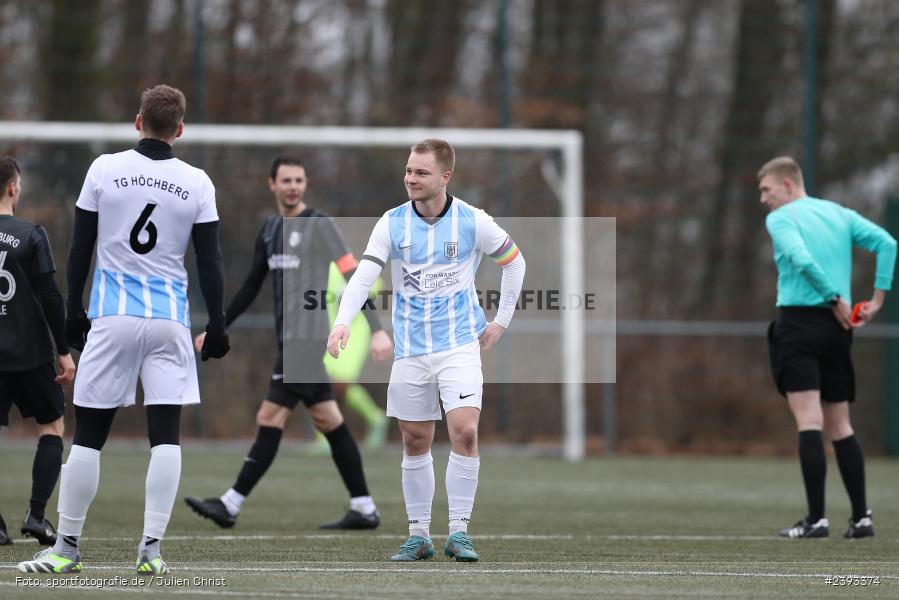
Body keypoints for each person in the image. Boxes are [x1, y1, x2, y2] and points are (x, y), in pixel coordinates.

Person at [17, 84, 229, 576]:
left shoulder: (104, 169)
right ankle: (150, 552)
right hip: (170, 322)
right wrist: (216, 323)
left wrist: (73, 312)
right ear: (179, 129)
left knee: (89, 437)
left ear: (138, 121)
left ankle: (66, 549)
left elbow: (79, 247)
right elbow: (211, 259)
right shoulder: (197, 181)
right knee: (166, 438)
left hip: (111, 317)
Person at [328, 139, 526, 562]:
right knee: (415, 440)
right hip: (411, 352)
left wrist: (500, 322)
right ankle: (419, 534)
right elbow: (363, 276)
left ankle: (459, 531)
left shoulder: (474, 221)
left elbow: (514, 262)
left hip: (459, 348)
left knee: (465, 431)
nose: (410, 179)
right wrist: (344, 320)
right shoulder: (392, 222)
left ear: (445, 176)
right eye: (408, 171)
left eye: (420, 172)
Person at [184, 156, 392, 531]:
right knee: (329, 419)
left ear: (305, 184)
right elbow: (250, 286)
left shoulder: (320, 226)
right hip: (289, 342)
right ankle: (363, 507)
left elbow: (353, 277)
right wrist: (219, 326)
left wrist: (376, 328)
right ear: (272, 185)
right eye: (286, 180)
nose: (293, 186)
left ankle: (230, 504)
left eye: (299, 180)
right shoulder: (269, 229)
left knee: (270, 417)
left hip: (308, 341)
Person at [759, 156, 896, 539]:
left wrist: (834, 296)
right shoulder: (839, 213)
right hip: (838, 331)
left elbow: (801, 258)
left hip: (801, 323)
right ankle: (862, 518)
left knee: (809, 421)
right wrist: (877, 299)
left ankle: (816, 520)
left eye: (767, 190)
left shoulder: (782, 218)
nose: (763, 199)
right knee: (840, 425)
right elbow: (888, 243)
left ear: (788, 184)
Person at [0, 156, 76, 547]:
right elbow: (50, 297)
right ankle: (36, 514)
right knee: (52, 427)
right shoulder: (31, 234)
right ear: (14, 187)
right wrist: (63, 351)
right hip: (29, 353)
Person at [320, 262, 389, 451]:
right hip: (331, 332)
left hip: (354, 336)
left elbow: (361, 297)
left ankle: (374, 418)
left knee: (340, 384)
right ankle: (324, 439)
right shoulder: (328, 270)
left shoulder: (367, 273)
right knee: (319, 384)